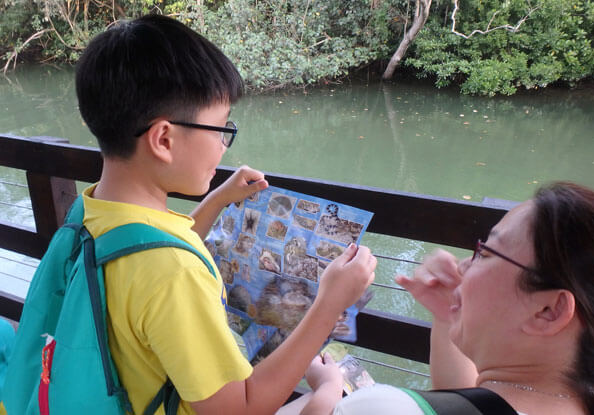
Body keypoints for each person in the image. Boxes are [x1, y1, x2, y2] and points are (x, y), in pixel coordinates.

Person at [72, 14, 377, 415]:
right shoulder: (174, 273)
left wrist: (217, 200)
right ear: (164, 139)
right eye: (220, 130)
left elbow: (146, 252)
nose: (222, 146)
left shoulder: (93, 210)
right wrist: (330, 305)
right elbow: (241, 409)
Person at [294, 182, 594, 415]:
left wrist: (327, 391)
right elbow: (469, 404)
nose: (463, 266)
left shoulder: (381, 409)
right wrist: (449, 319)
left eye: (486, 253)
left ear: (549, 310)